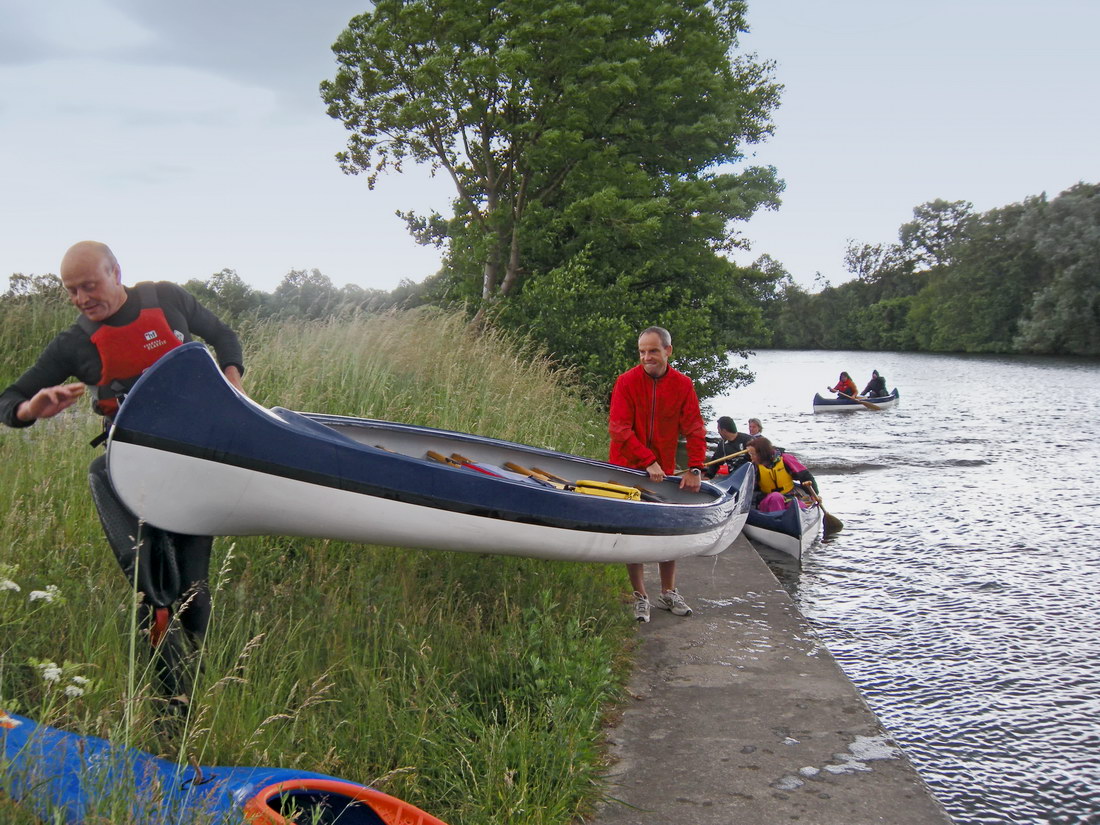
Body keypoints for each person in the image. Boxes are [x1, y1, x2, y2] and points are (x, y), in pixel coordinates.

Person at [0, 241, 244, 719]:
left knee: (193, 587)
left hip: (194, 463)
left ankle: (196, 683)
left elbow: (224, 336)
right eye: (71, 290)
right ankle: (169, 710)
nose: (80, 298)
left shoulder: (166, 299)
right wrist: (33, 408)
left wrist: (231, 383)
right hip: (128, 473)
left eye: (89, 285)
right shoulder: (75, 342)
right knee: (150, 588)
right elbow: (9, 401)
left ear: (116, 272)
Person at [609, 326, 706, 623]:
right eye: (642, 352)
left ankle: (668, 591)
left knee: (668, 528)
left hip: (664, 471)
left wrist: (695, 467)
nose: (646, 357)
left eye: (653, 351)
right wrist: (647, 460)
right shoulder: (626, 382)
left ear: (668, 351)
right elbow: (619, 428)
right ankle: (640, 596)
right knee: (633, 529)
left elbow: (694, 428)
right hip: (628, 466)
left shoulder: (683, 385)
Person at [745, 436, 819, 512]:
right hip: (767, 500)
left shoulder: (785, 459)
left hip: (790, 497)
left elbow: (805, 476)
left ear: (761, 453)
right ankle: (777, 518)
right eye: (750, 455)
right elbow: (750, 490)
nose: (751, 458)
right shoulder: (754, 467)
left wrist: (814, 494)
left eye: (753, 454)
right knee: (776, 497)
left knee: (799, 506)